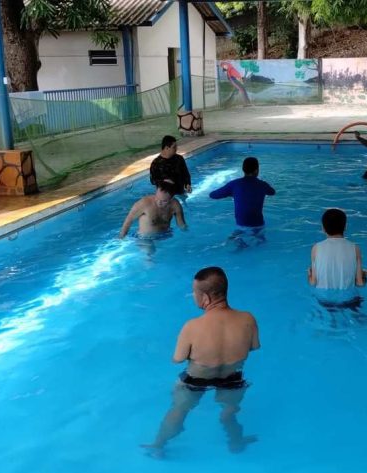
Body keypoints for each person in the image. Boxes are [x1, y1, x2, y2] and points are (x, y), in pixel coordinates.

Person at [141, 267, 260, 457]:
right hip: (232, 377)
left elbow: (177, 359)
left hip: (197, 378)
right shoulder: (248, 319)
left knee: (179, 409)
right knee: (229, 411)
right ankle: (236, 441)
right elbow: (254, 346)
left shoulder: (192, 326)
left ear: (205, 297)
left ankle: (158, 445)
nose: (193, 296)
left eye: (194, 292)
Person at [210, 157, 276, 247]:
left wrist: (230, 193)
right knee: (261, 241)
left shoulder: (234, 184)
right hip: (258, 224)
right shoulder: (262, 184)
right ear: (257, 170)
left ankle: (241, 245)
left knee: (232, 238)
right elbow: (272, 192)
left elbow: (213, 195)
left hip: (242, 224)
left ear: (243, 170)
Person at [308, 208, 365, 308]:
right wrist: (364, 276)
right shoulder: (355, 248)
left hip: (324, 300)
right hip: (349, 300)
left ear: (323, 228)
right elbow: (360, 283)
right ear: (345, 227)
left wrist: (309, 275)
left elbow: (313, 282)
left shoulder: (316, 248)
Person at [118, 178, 186, 239]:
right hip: (145, 238)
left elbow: (182, 225)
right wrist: (121, 238)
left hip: (165, 235)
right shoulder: (144, 203)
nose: (159, 202)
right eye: (157, 198)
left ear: (171, 198)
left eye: (164, 201)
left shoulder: (175, 205)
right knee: (150, 251)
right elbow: (128, 221)